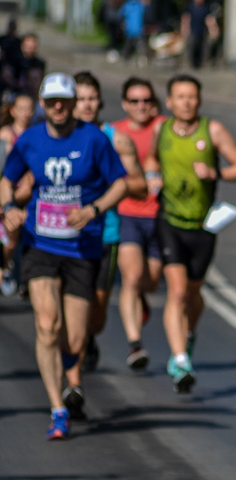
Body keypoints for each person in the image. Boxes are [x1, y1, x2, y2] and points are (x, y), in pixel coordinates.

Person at [0, 73, 128, 439]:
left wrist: (94, 209)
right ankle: (58, 409)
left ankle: (71, 367)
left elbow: (119, 181)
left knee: (73, 340)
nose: (58, 106)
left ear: (74, 103)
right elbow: (7, 179)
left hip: (82, 247)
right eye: (51, 100)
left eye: (64, 100)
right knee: (46, 325)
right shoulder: (31, 139)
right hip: (41, 244)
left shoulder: (93, 140)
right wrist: (8, 206)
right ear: (42, 103)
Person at [146, 74, 236, 392]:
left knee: (193, 293)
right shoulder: (160, 129)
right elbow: (151, 156)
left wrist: (215, 172)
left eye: (191, 97)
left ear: (199, 100)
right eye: (180, 97)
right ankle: (179, 360)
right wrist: (152, 175)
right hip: (170, 221)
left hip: (203, 226)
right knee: (176, 292)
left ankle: (188, 337)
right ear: (169, 102)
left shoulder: (213, 131)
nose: (186, 102)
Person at [65, 71, 146, 387]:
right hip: (63, 236)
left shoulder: (116, 139)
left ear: (100, 101)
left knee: (95, 314)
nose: (86, 105)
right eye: (80, 99)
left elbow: (138, 183)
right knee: (70, 309)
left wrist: (110, 188)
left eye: (91, 99)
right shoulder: (57, 138)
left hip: (105, 233)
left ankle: (88, 338)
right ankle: (74, 384)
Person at [114, 77, 167, 370]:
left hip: (159, 215)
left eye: (146, 100)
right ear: (125, 104)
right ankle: (135, 344)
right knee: (132, 278)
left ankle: (140, 304)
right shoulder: (116, 133)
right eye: (134, 101)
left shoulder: (163, 128)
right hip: (128, 213)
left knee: (151, 281)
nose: (141, 106)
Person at [0, 93, 36, 295]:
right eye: (21, 108)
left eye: (29, 108)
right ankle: (6, 268)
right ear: (13, 111)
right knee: (11, 239)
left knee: (28, 237)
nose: (26, 113)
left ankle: (25, 277)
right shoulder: (6, 135)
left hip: (29, 194)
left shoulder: (36, 134)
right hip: (10, 194)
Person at [181, 0, 219, 70]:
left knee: (202, 47)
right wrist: (184, 29)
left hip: (202, 30)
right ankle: (192, 64)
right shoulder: (190, 6)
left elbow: (209, 19)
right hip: (192, 30)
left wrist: (213, 29)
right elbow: (186, 18)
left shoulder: (206, 6)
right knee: (192, 46)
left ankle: (200, 64)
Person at [119, 0, 150, 64]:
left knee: (128, 45)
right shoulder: (140, 5)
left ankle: (125, 58)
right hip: (139, 29)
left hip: (129, 29)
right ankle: (142, 59)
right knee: (140, 46)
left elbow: (120, 14)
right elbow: (147, 14)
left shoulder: (127, 5)